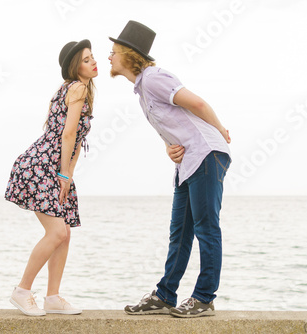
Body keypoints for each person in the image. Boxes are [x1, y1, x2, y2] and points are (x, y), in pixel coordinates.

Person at [108, 21, 231, 318]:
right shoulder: (142, 91)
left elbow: (198, 104)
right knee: (180, 232)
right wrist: (169, 148)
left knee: (206, 227)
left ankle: (204, 298)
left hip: (206, 153)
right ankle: (164, 296)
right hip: (189, 162)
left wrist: (221, 131)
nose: (108, 57)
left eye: (113, 52)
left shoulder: (153, 78)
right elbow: (173, 125)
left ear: (128, 54)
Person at [4, 39, 97, 316]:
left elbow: (77, 140)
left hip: (55, 166)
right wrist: (62, 174)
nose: (93, 61)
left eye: (93, 57)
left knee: (64, 233)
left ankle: (53, 297)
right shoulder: (77, 88)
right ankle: (22, 291)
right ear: (74, 67)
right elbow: (67, 134)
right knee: (57, 232)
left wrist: (68, 174)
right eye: (86, 59)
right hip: (42, 165)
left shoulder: (76, 91)